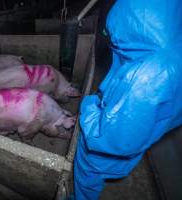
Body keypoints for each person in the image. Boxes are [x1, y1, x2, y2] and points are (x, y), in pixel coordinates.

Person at [74, 0, 182, 199]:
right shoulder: (169, 30)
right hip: (153, 112)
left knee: (90, 164)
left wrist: (88, 107)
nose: (113, 44)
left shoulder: (146, 79)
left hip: (121, 129)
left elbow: (112, 138)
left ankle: (81, 196)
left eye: (115, 39)